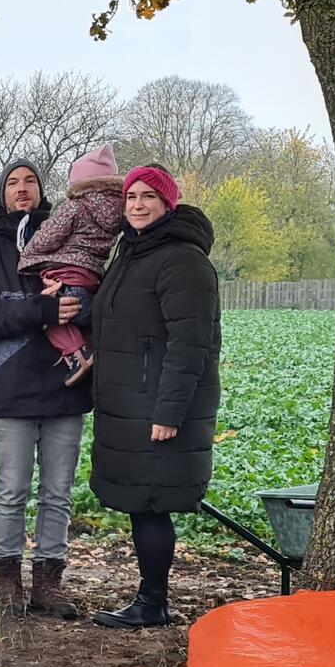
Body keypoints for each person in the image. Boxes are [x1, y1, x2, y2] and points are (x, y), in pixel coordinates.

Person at [89, 165, 220, 630]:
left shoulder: (182, 259)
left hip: (157, 408)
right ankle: (149, 597)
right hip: (131, 403)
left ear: (169, 203)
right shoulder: (133, 253)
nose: (138, 205)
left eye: (149, 196)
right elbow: (123, 319)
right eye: (131, 197)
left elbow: (191, 344)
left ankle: (153, 603)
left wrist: (169, 412)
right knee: (143, 503)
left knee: (151, 504)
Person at [0, 158, 90, 615]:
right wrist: (42, 311)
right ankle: (7, 581)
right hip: (11, 389)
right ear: (2, 193)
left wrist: (80, 307)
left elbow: (94, 296)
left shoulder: (70, 242)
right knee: (11, 490)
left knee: (58, 493)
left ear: (41, 190)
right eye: (12, 183)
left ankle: (49, 583)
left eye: (29, 181)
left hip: (66, 386)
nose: (21, 189)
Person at [19, 145, 122, 385]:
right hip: (92, 276)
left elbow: (48, 237)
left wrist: (29, 255)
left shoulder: (75, 206)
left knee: (50, 313)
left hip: (67, 272)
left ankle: (77, 354)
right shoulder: (120, 209)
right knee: (76, 313)